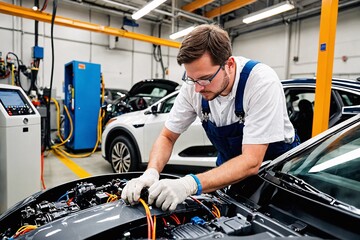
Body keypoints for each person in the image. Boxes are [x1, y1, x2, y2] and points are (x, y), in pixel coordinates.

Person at [121, 24, 299, 211]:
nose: (197, 88)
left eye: (205, 79)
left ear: (229, 65)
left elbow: (252, 161)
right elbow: (167, 136)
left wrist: (189, 184)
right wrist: (151, 172)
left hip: (276, 176)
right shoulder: (194, 86)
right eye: (192, 79)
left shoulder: (261, 82)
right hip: (229, 171)